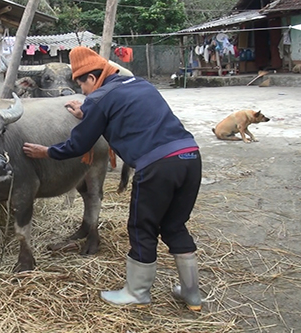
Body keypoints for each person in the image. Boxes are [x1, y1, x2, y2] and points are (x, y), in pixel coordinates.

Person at [22, 46, 202, 311]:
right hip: (190, 158)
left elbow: (78, 145)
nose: (81, 92)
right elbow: (128, 116)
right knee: (174, 226)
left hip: (158, 166)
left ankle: (137, 293)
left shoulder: (99, 98)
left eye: (81, 85)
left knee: (142, 228)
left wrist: (46, 151)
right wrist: (88, 115)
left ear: (92, 79)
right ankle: (192, 295)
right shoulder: (140, 84)